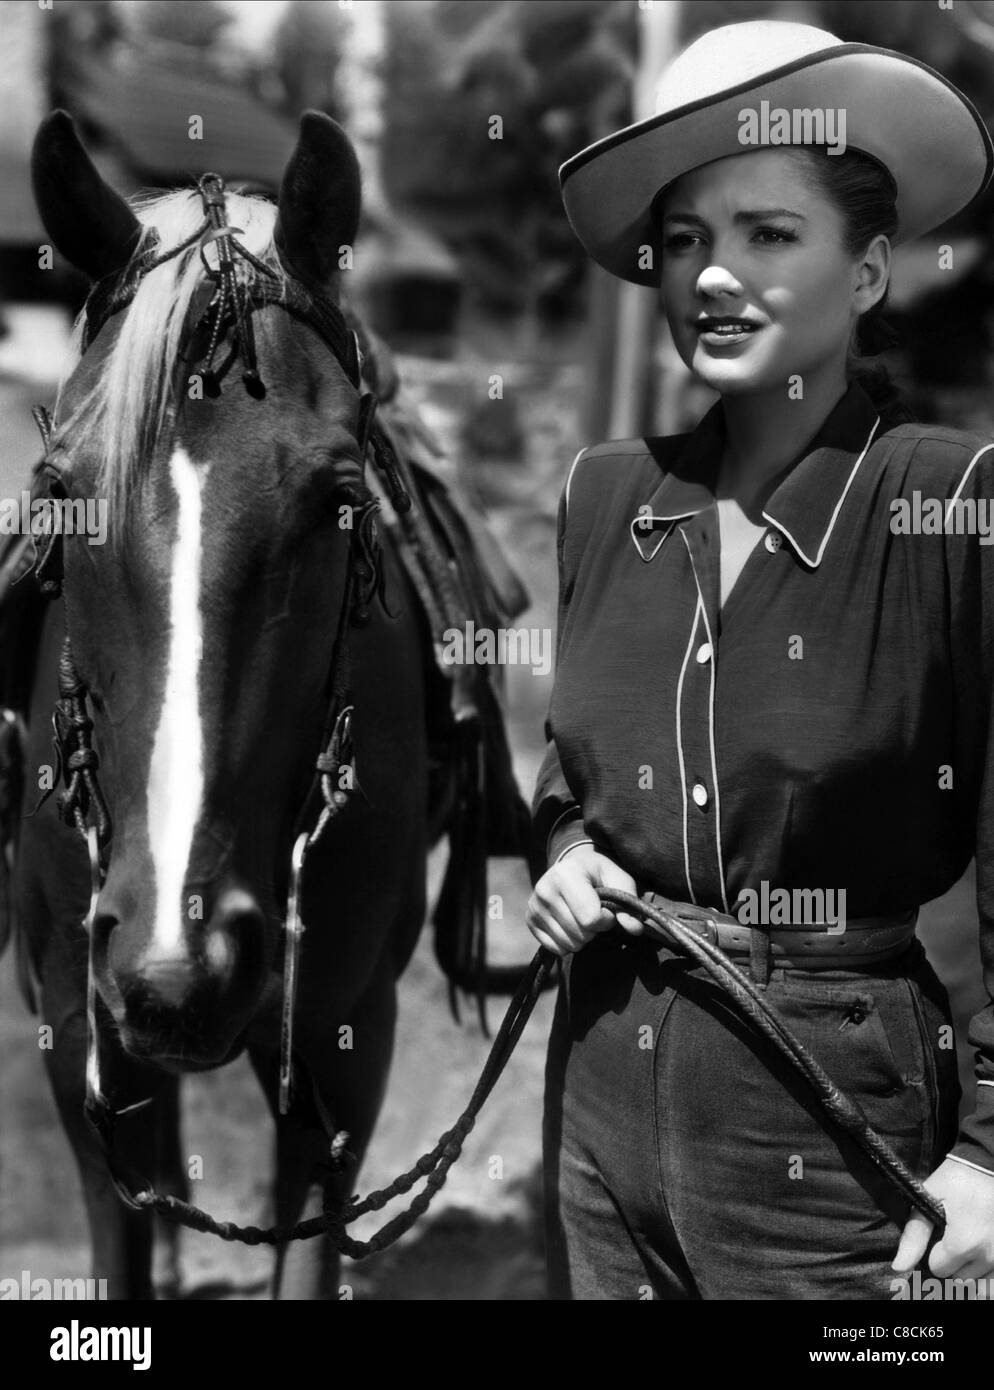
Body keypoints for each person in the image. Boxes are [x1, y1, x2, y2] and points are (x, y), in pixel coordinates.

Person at [528, 18, 994, 1300]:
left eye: (768, 234)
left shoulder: (951, 504)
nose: (712, 278)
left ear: (866, 273)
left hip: (834, 1135)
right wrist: (565, 852)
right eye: (684, 241)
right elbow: (570, 773)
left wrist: (993, 1149)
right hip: (598, 1090)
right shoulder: (605, 495)